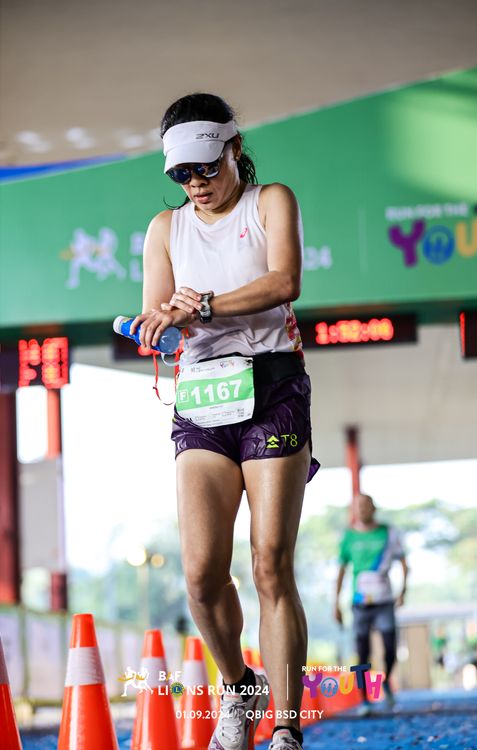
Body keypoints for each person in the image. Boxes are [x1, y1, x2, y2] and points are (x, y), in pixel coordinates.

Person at [130, 93, 319, 750]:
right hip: (202, 394)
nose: (196, 183)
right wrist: (155, 324)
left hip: (273, 385)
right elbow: (158, 316)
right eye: (182, 173)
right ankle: (240, 687)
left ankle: (287, 729)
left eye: (206, 167)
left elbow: (285, 281)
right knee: (201, 573)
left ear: (234, 149)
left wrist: (204, 305)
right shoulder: (165, 229)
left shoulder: (271, 202)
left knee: (270, 563)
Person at [334, 493, 408, 714]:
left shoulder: (388, 533)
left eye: (366, 505)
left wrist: (403, 591)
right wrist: (336, 603)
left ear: (374, 508)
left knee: (390, 647)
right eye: (358, 506)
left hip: (384, 600)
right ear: (353, 510)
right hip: (359, 603)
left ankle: (386, 681)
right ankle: (364, 698)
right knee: (362, 652)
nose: (362, 509)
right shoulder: (348, 536)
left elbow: (404, 563)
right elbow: (341, 571)